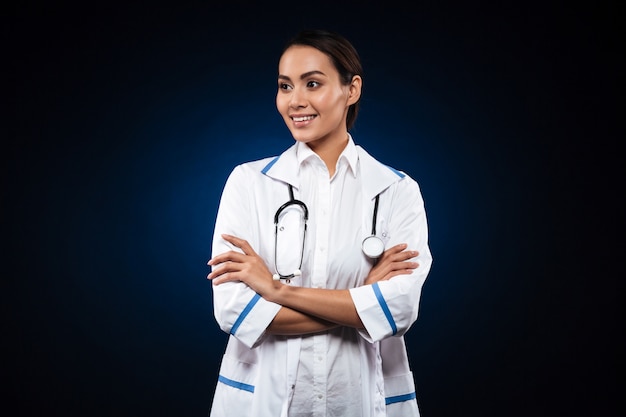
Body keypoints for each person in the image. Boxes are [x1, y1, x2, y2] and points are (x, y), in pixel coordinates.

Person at [207, 29, 433, 417]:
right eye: (285, 86)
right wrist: (361, 301)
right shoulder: (248, 183)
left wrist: (277, 292)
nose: (296, 101)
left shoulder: (396, 190)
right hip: (264, 401)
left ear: (352, 89)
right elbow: (233, 310)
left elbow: (398, 311)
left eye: (313, 83)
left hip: (359, 399)